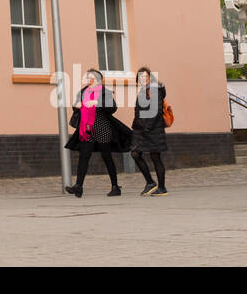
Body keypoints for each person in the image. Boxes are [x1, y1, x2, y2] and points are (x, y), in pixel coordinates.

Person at [64, 68, 132, 198]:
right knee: (84, 156)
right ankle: (78, 187)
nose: (89, 80)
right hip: (87, 128)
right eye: (88, 77)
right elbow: (76, 105)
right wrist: (76, 105)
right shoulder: (83, 92)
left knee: (107, 157)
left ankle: (115, 186)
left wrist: (97, 102)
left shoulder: (105, 92)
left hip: (102, 127)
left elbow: (113, 107)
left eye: (92, 78)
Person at [131, 66, 169, 196]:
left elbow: (156, 111)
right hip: (142, 129)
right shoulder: (143, 90)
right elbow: (138, 110)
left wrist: (147, 127)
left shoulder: (154, 90)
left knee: (155, 157)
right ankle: (150, 182)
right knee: (135, 153)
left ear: (149, 77)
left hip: (153, 130)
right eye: (140, 76)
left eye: (145, 76)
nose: (142, 78)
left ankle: (162, 187)